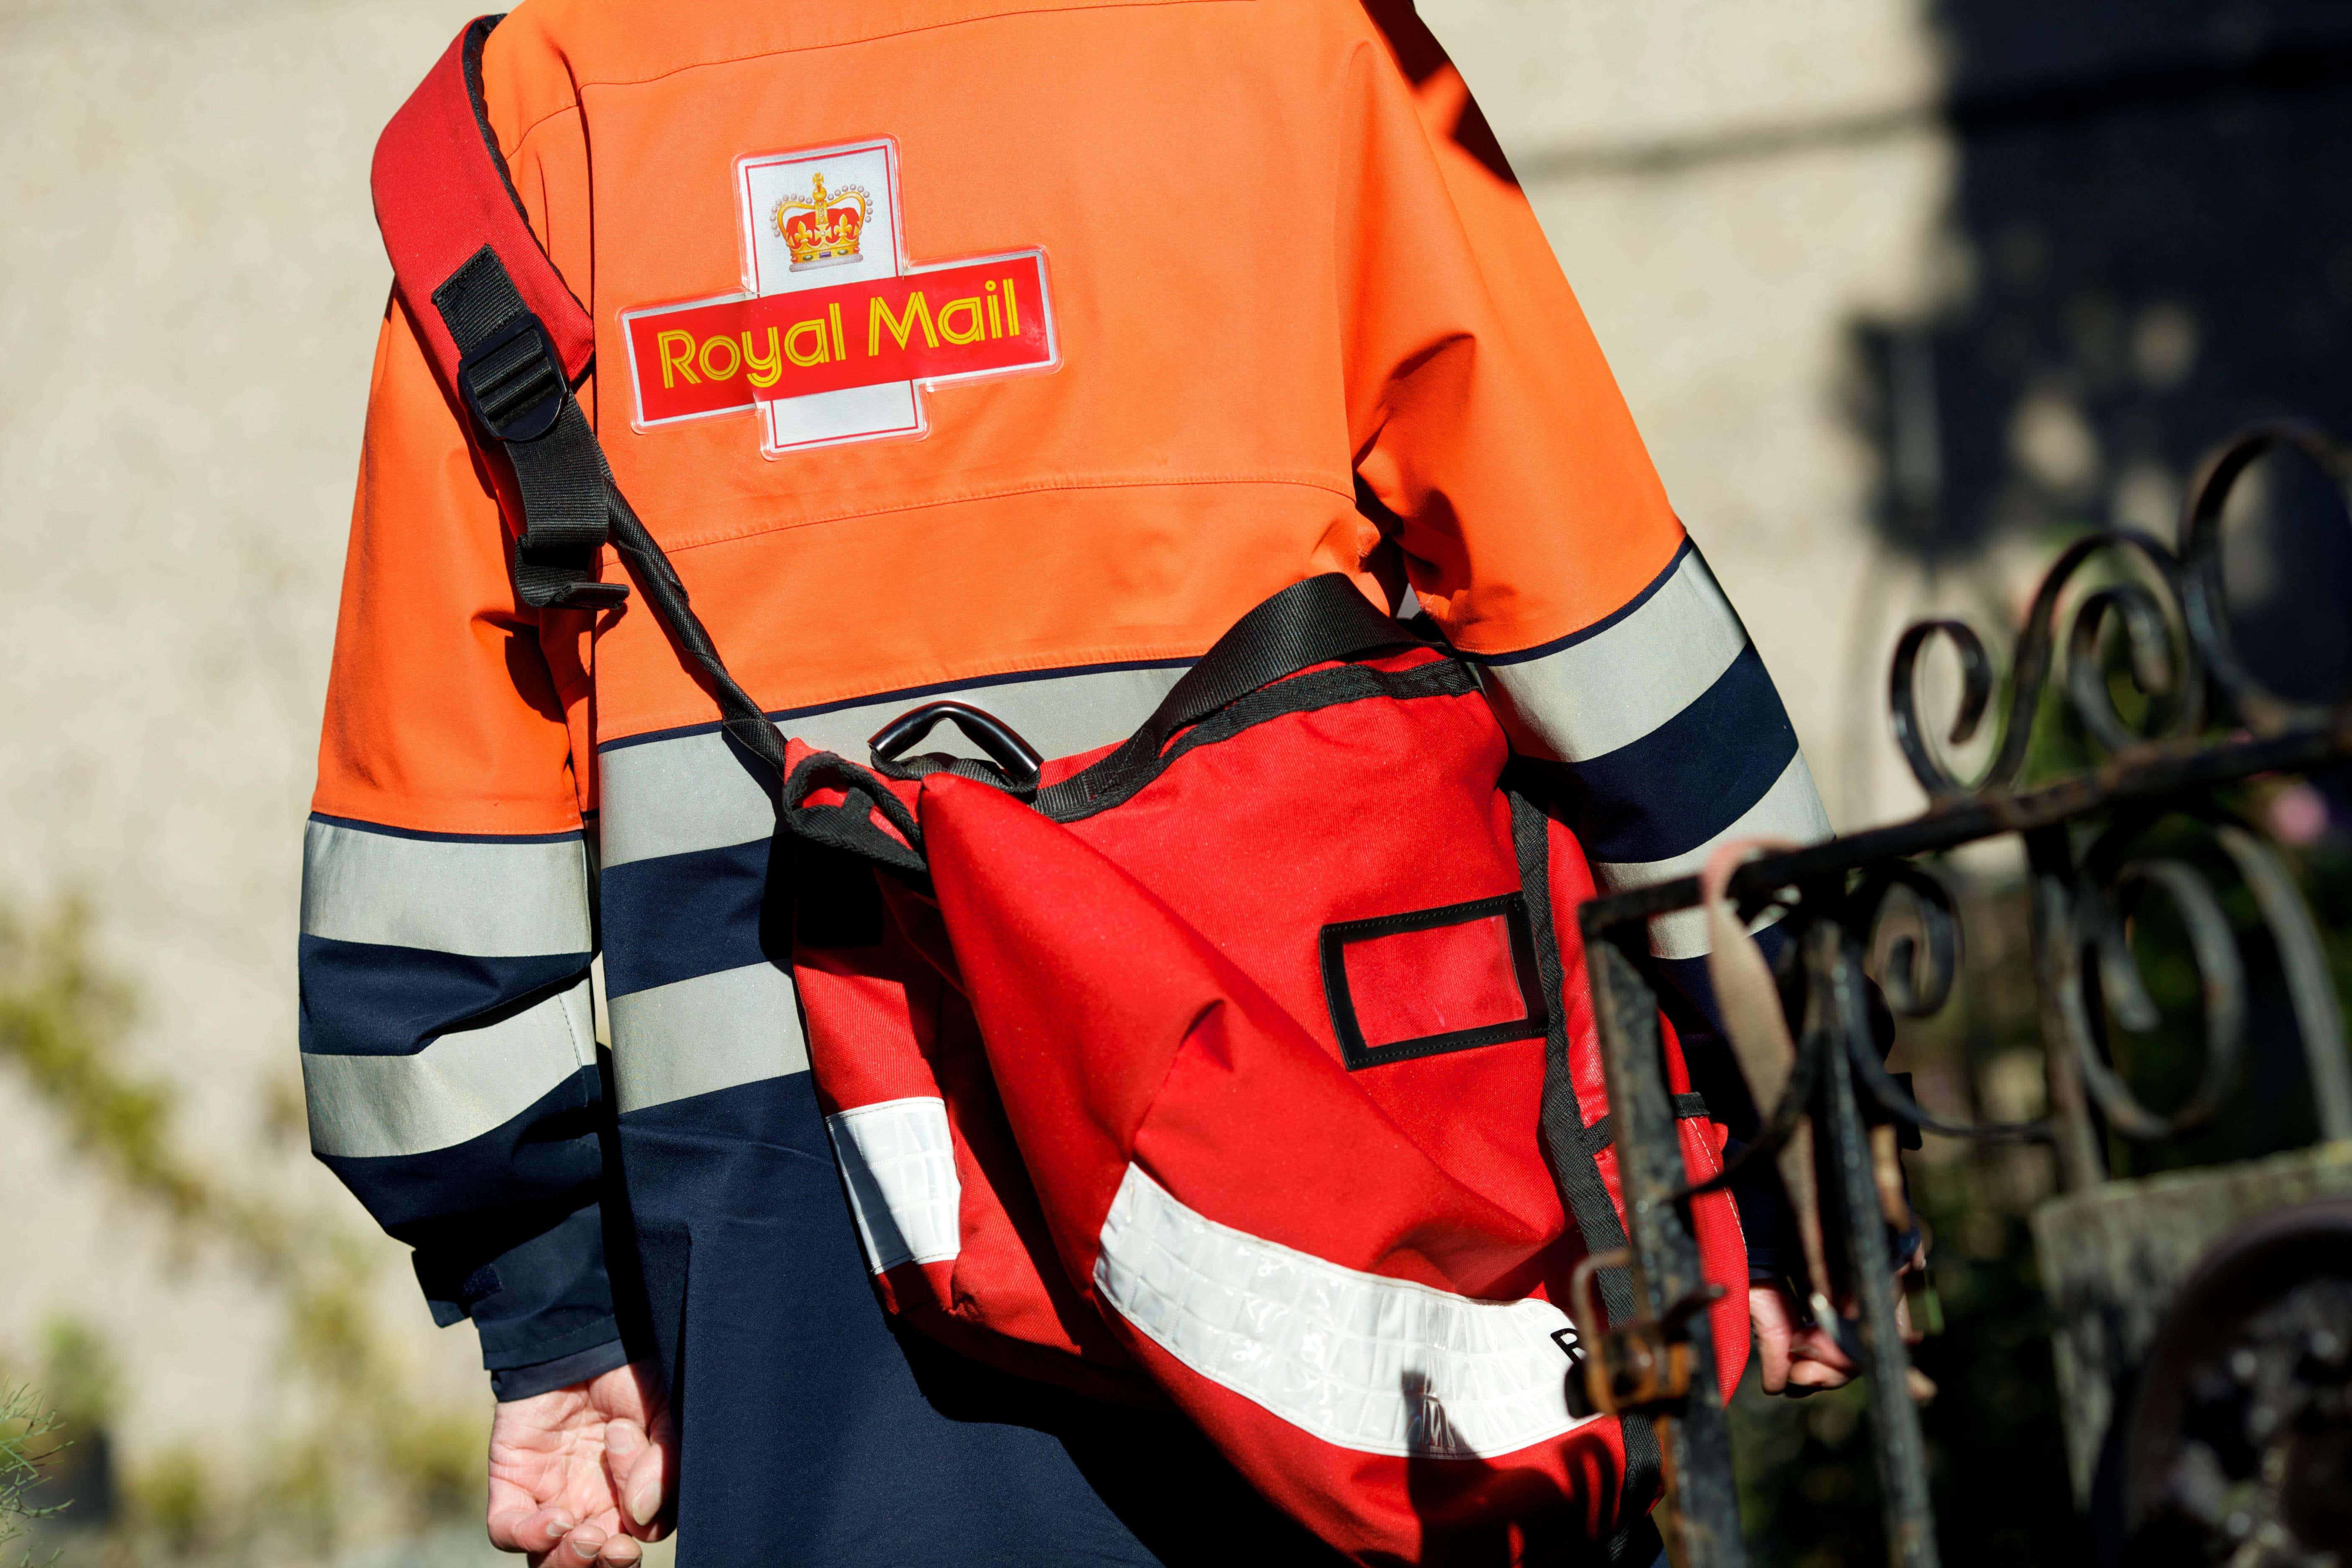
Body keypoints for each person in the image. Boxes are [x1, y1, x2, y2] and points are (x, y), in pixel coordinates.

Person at [298, 0, 1852, 1560]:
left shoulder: (537, 118)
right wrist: (1796, 1117)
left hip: (807, 1263)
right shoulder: (1290, 40)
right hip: (1331, 1178)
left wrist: (553, 1312)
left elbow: (435, 841)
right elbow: (1592, 623)